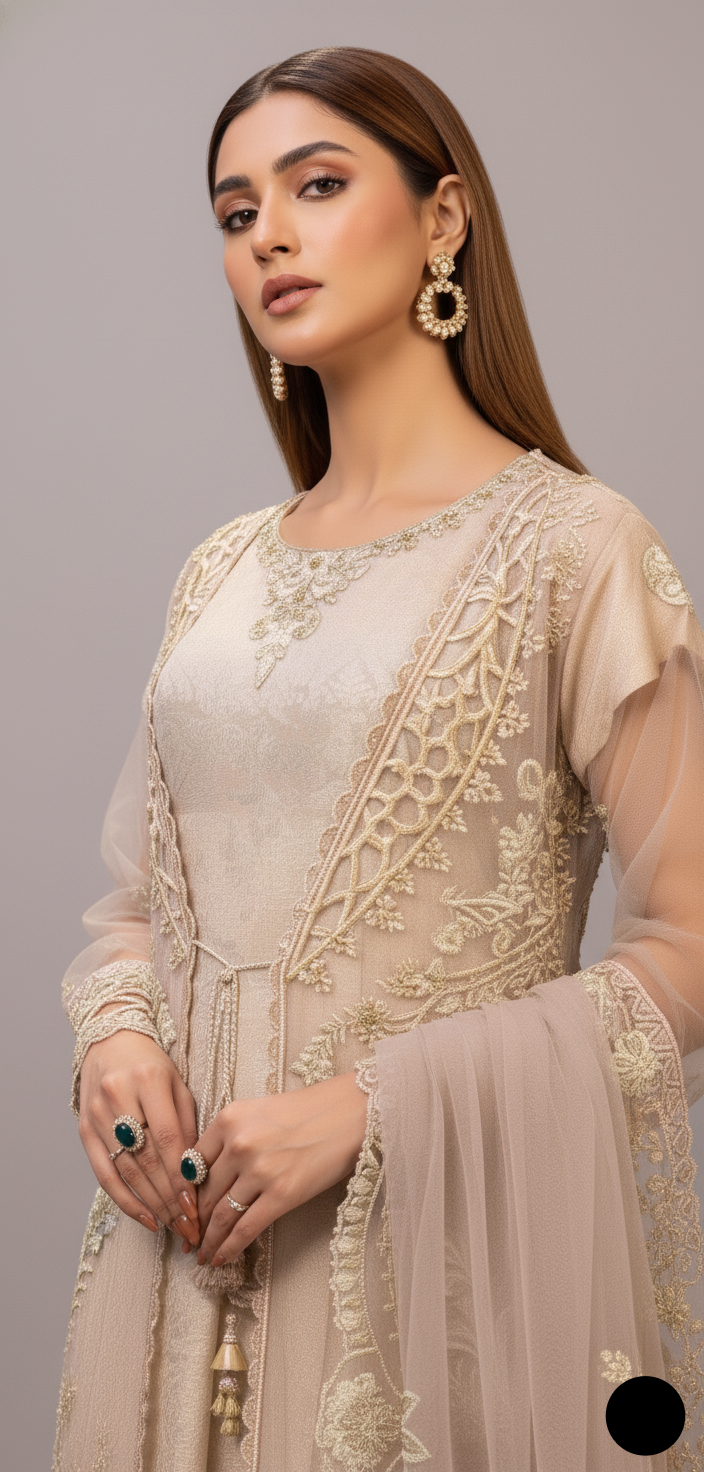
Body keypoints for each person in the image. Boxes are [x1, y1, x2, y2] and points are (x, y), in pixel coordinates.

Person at [54, 46, 704, 1472]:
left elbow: (689, 947)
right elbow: (143, 906)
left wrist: (375, 1110)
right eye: (236, 213)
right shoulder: (220, 571)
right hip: (177, 1267)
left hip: (433, 1276)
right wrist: (115, 1039)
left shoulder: (574, 551)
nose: (267, 237)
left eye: (317, 186)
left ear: (444, 217)